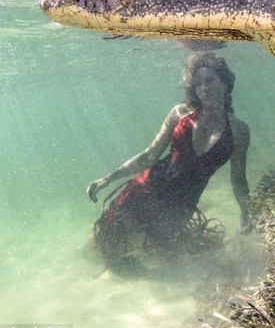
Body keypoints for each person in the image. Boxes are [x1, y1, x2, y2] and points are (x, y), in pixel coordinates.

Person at [87, 52, 251, 269]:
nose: (203, 88)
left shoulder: (239, 130)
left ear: (225, 82)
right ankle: (83, 261)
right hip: (146, 189)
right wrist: (108, 179)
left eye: (209, 80)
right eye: (197, 83)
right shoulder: (180, 114)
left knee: (156, 256)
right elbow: (149, 155)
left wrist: (245, 211)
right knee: (107, 241)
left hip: (180, 206)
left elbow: (238, 178)